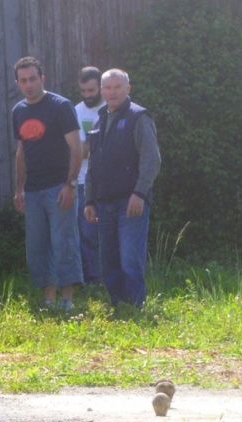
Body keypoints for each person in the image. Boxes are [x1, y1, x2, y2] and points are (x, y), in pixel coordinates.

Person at [84, 69, 162, 308]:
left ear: (128, 89)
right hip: (104, 202)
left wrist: (139, 194)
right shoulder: (100, 119)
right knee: (108, 259)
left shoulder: (139, 117)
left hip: (131, 202)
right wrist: (88, 200)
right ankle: (118, 305)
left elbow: (152, 160)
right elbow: (93, 164)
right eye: (107, 88)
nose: (112, 92)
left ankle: (136, 306)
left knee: (130, 258)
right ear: (102, 91)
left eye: (117, 87)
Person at [12, 56, 83, 312]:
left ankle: (68, 300)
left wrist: (71, 184)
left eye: (33, 79)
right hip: (32, 191)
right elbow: (21, 152)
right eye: (23, 80)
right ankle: (49, 300)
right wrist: (19, 188)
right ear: (18, 83)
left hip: (59, 187)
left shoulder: (60, 106)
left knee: (63, 242)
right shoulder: (18, 111)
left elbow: (76, 148)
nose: (28, 84)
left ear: (43, 78)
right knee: (37, 246)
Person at [75, 66, 105, 285]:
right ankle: (93, 279)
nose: (88, 96)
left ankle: (109, 277)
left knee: (107, 234)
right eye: (83, 91)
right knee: (86, 234)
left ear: (101, 88)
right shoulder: (76, 111)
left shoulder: (111, 109)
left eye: (92, 90)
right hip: (83, 181)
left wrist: (88, 148)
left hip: (109, 182)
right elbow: (76, 150)